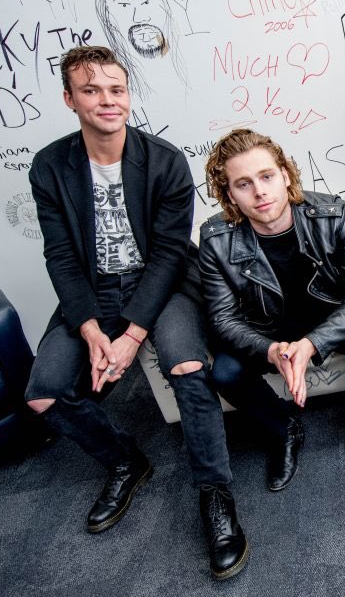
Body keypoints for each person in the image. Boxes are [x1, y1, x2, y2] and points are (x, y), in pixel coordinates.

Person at [24, 46, 247, 580]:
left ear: (128, 95)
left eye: (116, 89)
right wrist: (89, 327)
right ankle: (126, 461)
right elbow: (60, 255)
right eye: (91, 90)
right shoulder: (50, 167)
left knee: (187, 366)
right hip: (92, 289)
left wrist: (131, 335)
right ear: (69, 99)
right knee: (42, 393)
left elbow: (169, 254)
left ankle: (215, 494)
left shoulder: (164, 160)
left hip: (162, 283)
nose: (107, 100)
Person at [199, 129, 345, 486]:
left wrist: (313, 343)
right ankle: (283, 428)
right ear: (230, 195)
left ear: (285, 175)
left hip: (330, 317)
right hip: (265, 328)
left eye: (267, 176)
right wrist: (270, 350)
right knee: (225, 372)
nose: (259, 192)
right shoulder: (215, 239)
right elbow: (222, 319)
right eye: (243, 184)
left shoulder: (333, 214)